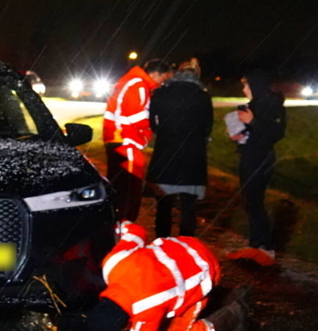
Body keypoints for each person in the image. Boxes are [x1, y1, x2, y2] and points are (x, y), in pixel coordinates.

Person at [58, 221, 247, 331]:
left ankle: (230, 315)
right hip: (185, 245)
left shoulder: (147, 311)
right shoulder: (113, 265)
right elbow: (135, 230)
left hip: (207, 270)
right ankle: (223, 296)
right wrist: (110, 227)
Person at [146, 58, 213, 237]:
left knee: (163, 207)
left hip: (166, 153)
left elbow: (152, 122)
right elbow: (208, 126)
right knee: (188, 208)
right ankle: (186, 245)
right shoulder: (203, 96)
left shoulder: (160, 93)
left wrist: (164, 133)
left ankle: (162, 244)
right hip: (193, 156)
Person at [226, 70, 286, 266]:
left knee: (255, 202)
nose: (243, 89)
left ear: (256, 86)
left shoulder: (272, 105)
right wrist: (239, 134)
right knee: (250, 202)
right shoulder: (254, 106)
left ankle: (265, 248)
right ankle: (256, 245)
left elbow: (274, 134)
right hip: (249, 156)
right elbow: (253, 134)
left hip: (260, 159)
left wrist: (252, 121)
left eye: (246, 85)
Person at [103, 59, 173, 222]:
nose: (162, 82)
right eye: (163, 77)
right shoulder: (138, 85)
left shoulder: (129, 82)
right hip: (127, 142)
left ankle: (116, 224)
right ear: (156, 74)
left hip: (116, 139)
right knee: (130, 190)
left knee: (118, 187)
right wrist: (146, 136)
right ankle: (126, 228)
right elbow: (137, 117)